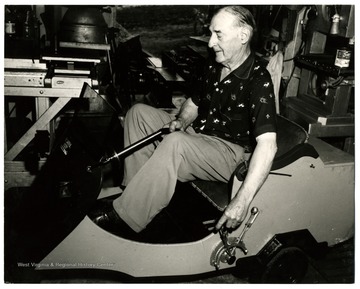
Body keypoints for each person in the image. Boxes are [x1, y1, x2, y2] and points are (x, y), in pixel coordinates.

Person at [90, 5, 278, 236]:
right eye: (210, 33)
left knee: (175, 143)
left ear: (243, 36)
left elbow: (268, 145)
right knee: (138, 113)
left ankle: (126, 218)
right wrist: (182, 120)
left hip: (231, 154)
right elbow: (194, 102)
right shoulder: (215, 64)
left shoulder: (259, 79)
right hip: (200, 137)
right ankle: (135, 195)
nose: (210, 43)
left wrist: (241, 201)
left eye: (218, 35)